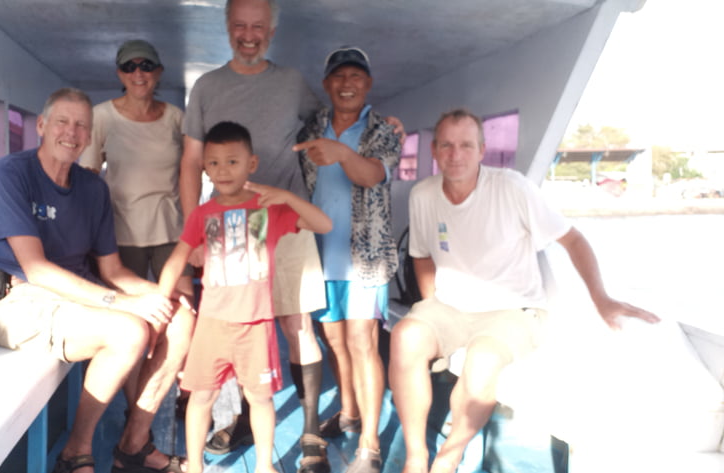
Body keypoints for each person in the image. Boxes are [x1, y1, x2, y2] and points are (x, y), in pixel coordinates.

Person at [388, 108, 661, 473]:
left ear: (482, 151)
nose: (456, 155)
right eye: (447, 145)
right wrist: (430, 305)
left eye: (466, 145)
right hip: (450, 306)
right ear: (435, 150)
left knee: (482, 361)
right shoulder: (423, 195)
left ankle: (448, 457)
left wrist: (602, 300)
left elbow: (573, 240)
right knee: (405, 336)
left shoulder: (511, 187)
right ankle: (415, 457)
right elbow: (421, 255)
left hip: (513, 310)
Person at [0, 88, 194, 473]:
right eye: (62, 122)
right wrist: (122, 302)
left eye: (81, 126)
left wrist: (162, 295)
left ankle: (133, 443)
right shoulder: (11, 173)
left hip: (77, 298)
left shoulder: (93, 189)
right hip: (19, 298)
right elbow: (36, 269)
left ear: (90, 136)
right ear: (41, 126)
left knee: (181, 319)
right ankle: (75, 452)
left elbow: (113, 271)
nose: (71, 132)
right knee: (129, 332)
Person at [178, 0, 329, 471]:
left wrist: (381, 124)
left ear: (272, 31)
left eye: (258, 26)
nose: (249, 34)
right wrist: (194, 234)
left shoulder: (293, 83)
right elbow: (190, 163)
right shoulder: (207, 86)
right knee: (238, 326)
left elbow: (329, 120)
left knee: (297, 325)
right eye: (240, 25)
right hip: (227, 231)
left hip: (286, 220)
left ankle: (309, 432)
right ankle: (245, 419)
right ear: (227, 28)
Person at [158, 121, 332, 473]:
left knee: (260, 398)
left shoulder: (269, 209)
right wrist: (161, 300)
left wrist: (287, 197)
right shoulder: (202, 214)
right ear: (205, 168)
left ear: (252, 164)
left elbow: (323, 224)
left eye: (232, 161)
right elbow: (177, 258)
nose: (223, 170)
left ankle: (265, 465)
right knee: (201, 397)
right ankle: (195, 465)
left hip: (256, 326)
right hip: (212, 325)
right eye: (214, 163)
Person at [78, 40, 192, 471]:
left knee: (182, 321)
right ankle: (137, 432)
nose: (138, 73)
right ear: (119, 73)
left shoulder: (177, 119)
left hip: (170, 234)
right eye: (129, 67)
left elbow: (194, 172)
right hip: (118, 236)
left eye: (147, 65)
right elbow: (88, 179)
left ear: (159, 72)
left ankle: (138, 434)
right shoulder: (102, 117)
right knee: (137, 329)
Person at [295, 46, 401, 473]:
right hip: (318, 257)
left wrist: (340, 153)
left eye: (356, 76)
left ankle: (369, 446)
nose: (347, 84)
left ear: (368, 84)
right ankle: (349, 414)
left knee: (362, 343)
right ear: (326, 84)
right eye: (339, 76)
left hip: (366, 259)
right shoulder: (310, 127)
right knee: (335, 343)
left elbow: (372, 175)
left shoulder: (384, 130)